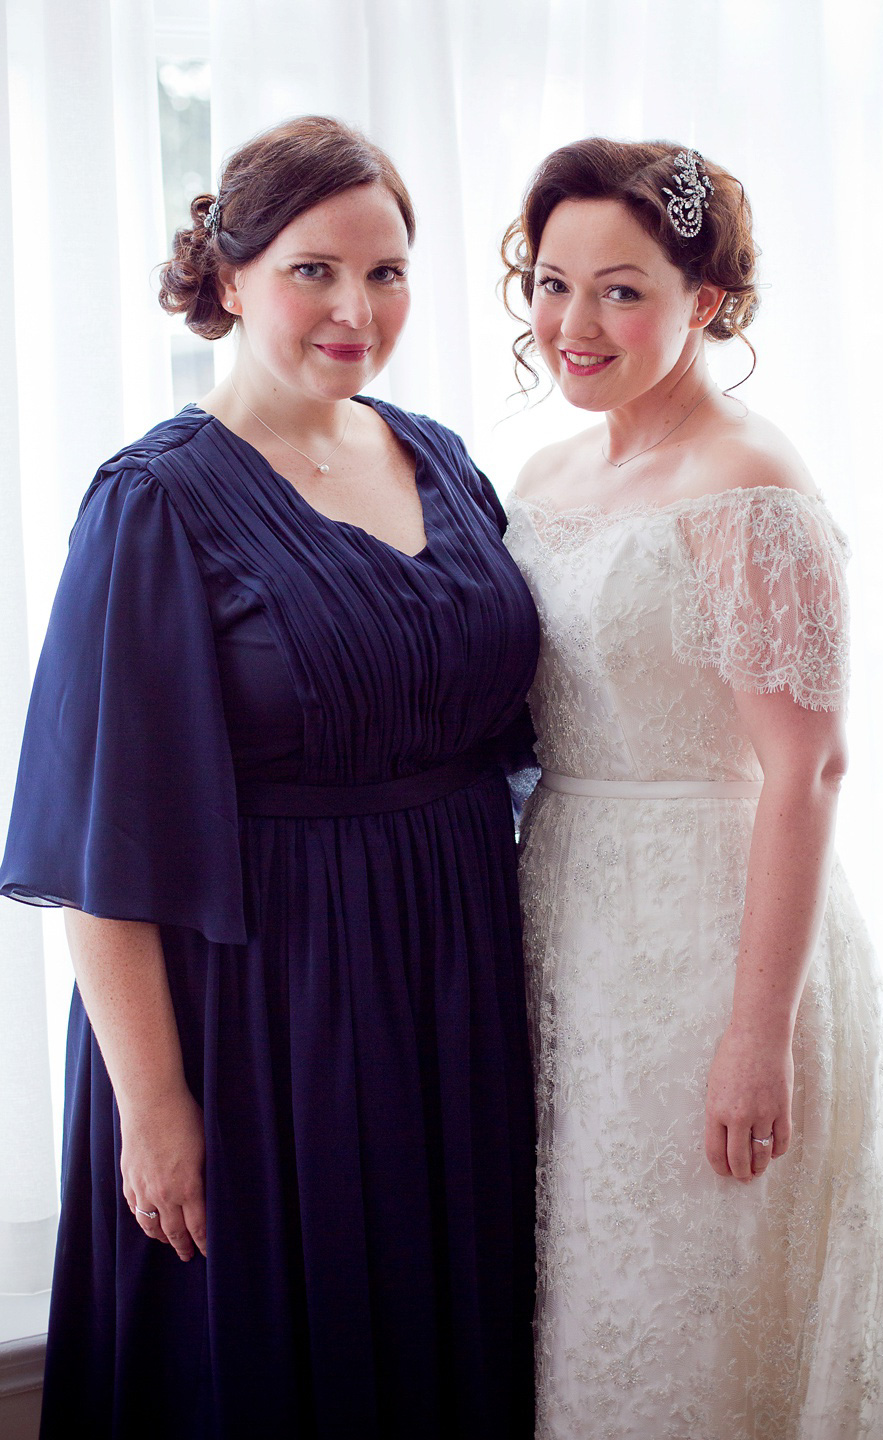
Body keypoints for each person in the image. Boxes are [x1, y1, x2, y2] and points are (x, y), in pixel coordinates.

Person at [0, 115, 538, 1439]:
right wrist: (160, 1109)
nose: (360, 308)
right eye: (316, 269)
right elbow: (98, 845)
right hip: (258, 1021)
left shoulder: (445, 461)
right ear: (230, 277)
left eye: (390, 270)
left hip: (450, 998)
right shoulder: (155, 503)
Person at [500, 137, 883, 1438]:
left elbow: (808, 768)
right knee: (582, 1301)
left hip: (710, 947)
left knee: (696, 1312)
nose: (573, 325)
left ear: (707, 302)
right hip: (569, 929)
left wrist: (755, 1037)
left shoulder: (751, 486)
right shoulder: (541, 478)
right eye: (552, 283)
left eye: (623, 290)